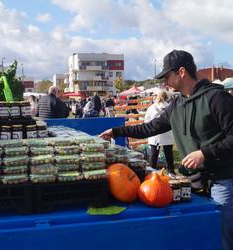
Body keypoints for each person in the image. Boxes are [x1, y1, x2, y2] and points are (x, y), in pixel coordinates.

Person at [99, 50, 233, 250]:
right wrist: (117, 131)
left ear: (181, 72)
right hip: (194, 183)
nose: (164, 83)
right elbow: (149, 127)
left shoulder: (217, 98)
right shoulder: (176, 105)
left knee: (223, 238)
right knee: (203, 237)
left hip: (223, 181)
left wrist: (204, 153)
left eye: (166, 76)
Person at [144, 90, 175, 175]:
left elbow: (146, 121)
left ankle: (151, 172)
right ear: (166, 97)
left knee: (153, 155)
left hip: (155, 134)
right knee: (168, 154)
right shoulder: (170, 107)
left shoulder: (151, 108)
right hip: (167, 133)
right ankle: (171, 172)